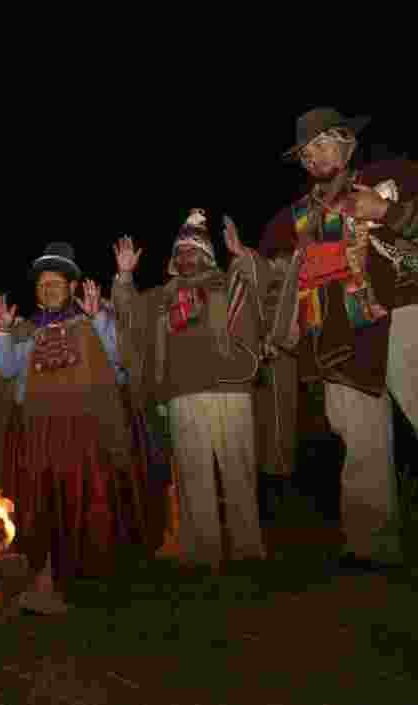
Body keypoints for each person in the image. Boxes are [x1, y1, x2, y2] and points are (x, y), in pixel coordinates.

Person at [258, 107, 418, 565]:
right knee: (359, 438)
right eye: (306, 153)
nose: (314, 158)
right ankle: (371, 547)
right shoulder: (297, 217)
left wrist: (386, 210)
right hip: (338, 333)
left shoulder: (395, 177)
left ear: (348, 143)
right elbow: (282, 278)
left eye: (323, 145)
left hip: (403, 314)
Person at [112, 210, 281, 568]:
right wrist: (124, 276)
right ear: (174, 261)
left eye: (194, 251)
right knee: (193, 477)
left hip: (231, 389)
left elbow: (263, 282)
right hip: (182, 394)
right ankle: (204, 554)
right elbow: (127, 316)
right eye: (181, 253)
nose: (187, 258)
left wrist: (241, 252)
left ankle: (248, 549)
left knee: (239, 472)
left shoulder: (228, 281)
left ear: (207, 255)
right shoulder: (160, 297)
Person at [0, 242, 135, 605]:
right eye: (42, 285)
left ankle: (87, 578)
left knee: (85, 500)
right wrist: (3, 332)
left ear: (72, 287)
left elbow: (118, 361)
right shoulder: (25, 330)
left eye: (55, 284)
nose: (48, 289)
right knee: (41, 504)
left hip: (82, 432)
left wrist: (98, 319)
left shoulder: (90, 321)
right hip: (37, 432)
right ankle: (42, 575)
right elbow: (6, 370)